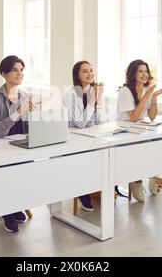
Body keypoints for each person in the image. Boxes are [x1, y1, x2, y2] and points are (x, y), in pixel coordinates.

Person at [0, 55, 38, 233]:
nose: (20, 73)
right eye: (15, 69)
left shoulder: (25, 96)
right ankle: (6, 209)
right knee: (8, 171)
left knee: (29, 170)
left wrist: (36, 117)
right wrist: (18, 112)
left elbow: (28, 129)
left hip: (20, 147)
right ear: (3, 73)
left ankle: (14, 205)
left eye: (22, 69)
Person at [117, 60, 162, 202]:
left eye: (146, 71)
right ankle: (136, 180)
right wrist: (147, 96)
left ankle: (154, 175)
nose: (144, 74)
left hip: (140, 128)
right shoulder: (125, 91)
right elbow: (133, 117)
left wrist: (154, 97)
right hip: (124, 131)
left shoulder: (147, 90)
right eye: (140, 71)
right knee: (140, 148)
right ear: (133, 74)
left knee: (159, 142)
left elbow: (152, 116)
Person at [64, 60, 105, 212]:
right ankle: (82, 190)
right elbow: (80, 124)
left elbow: (100, 121)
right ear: (77, 75)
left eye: (91, 70)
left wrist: (99, 100)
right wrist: (94, 98)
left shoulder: (94, 92)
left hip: (92, 137)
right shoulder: (70, 94)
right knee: (84, 161)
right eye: (85, 71)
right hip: (74, 139)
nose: (90, 74)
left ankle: (100, 188)